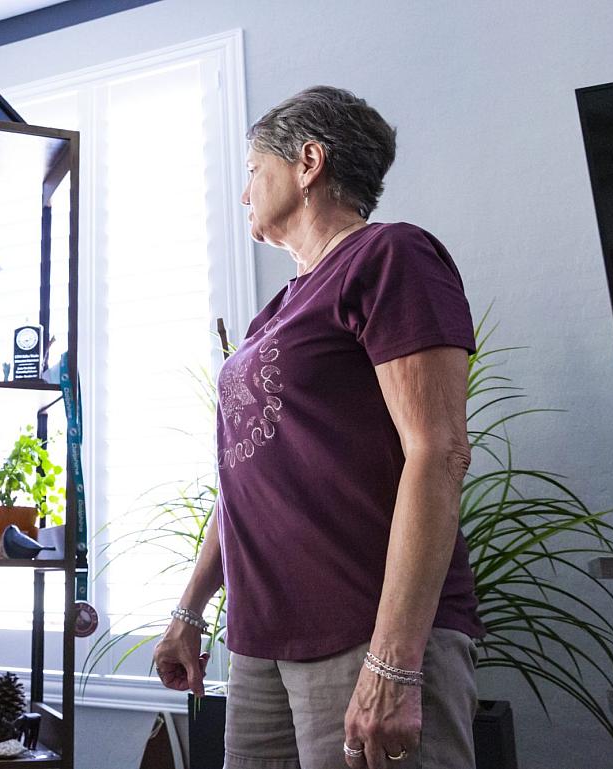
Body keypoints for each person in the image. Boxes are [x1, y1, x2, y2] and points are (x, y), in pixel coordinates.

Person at [153, 86, 484, 769]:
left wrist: (393, 660)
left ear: (308, 163)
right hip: (261, 643)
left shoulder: (391, 257)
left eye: (253, 170)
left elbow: (440, 449)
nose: (245, 193)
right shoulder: (272, 313)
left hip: (363, 631)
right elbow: (245, 478)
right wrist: (189, 611)